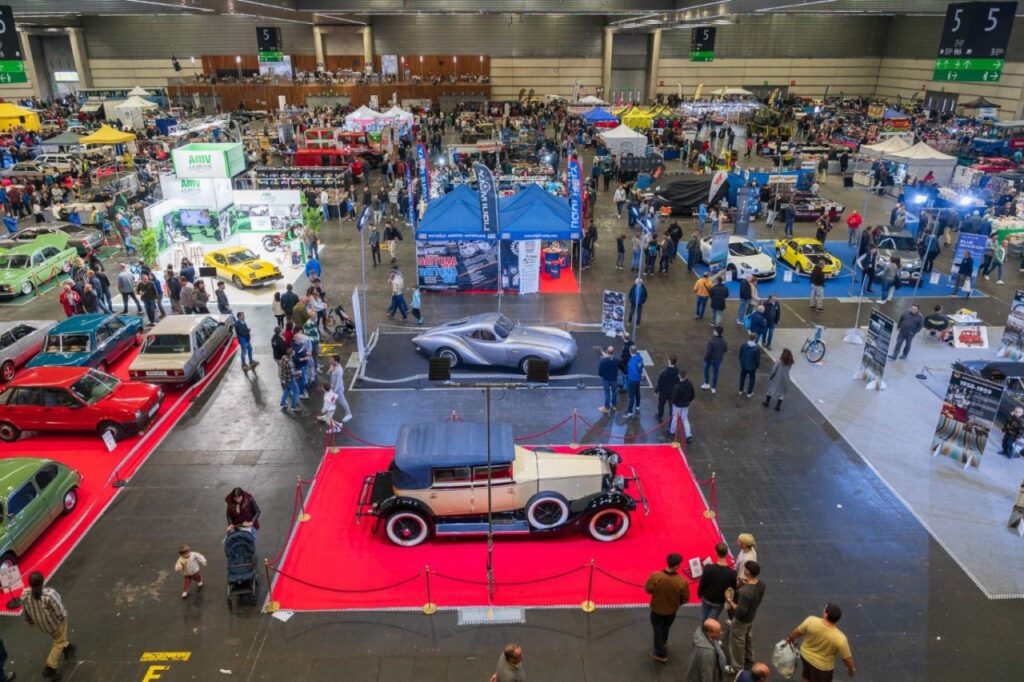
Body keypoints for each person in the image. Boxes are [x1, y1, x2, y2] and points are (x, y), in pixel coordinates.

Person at [22, 571, 75, 679]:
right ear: (43, 581)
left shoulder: (25, 594)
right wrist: (63, 617)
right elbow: (59, 611)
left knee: (58, 637)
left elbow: (25, 611)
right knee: (59, 642)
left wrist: (29, 620)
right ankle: (50, 667)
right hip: (55, 624)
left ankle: (67, 647)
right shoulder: (50, 594)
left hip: (43, 625)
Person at [785, 603, 856, 682]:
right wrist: (851, 669)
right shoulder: (840, 638)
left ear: (826, 614)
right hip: (821, 667)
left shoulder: (811, 620)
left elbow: (797, 632)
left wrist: (789, 639)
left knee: (806, 675)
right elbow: (847, 659)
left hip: (805, 656)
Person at [644, 553, 690, 663]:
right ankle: (663, 643)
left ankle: (661, 653)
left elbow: (648, 589)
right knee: (665, 627)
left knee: (657, 630)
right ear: (677, 566)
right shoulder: (681, 581)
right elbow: (685, 599)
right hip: (671, 610)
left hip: (657, 609)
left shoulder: (656, 576)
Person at [724, 560, 766, 675]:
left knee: (737, 643)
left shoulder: (745, 592)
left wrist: (729, 599)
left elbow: (739, 611)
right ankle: (749, 657)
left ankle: (737, 667)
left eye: (745, 568)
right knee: (747, 638)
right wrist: (745, 583)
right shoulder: (761, 585)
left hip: (740, 621)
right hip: (751, 617)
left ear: (747, 571)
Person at [697, 543, 736, 624]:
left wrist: (699, 593)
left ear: (716, 552)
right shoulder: (732, 573)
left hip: (707, 598)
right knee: (711, 622)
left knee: (703, 619)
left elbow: (702, 583)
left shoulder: (708, 568)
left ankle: (702, 632)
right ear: (726, 553)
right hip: (719, 601)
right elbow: (732, 588)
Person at [669, 369, 696, 442]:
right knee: (685, 419)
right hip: (686, 405)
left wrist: (673, 402)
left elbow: (674, 398)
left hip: (677, 406)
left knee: (675, 418)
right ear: (686, 376)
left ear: (679, 376)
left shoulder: (677, 387)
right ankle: (688, 435)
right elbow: (692, 395)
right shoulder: (690, 384)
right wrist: (688, 401)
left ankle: (672, 431)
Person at [328, 354, 354, 423]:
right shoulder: (332, 365)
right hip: (333, 387)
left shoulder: (339, 370)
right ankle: (328, 415)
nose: (329, 361)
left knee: (342, 401)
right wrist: (330, 370)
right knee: (331, 401)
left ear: (335, 361)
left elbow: (338, 382)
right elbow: (328, 373)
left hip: (338, 389)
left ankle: (349, 414)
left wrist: (334, 392)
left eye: (331, 360)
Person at [655, 355, 680, 423]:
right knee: (671, 406)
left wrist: (656, 390)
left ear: (669, 361)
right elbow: (678, 382)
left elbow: (660, 383)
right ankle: (671, 419)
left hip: (664, 392)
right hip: (673, 392)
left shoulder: (664, 372)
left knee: (661, 404)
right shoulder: (677, 371)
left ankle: (660, 415)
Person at [702, 326, 727, 394]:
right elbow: (725, 350)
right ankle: (714, 387)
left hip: (710, 359)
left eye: (714, 330)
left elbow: (708, 352)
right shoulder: (723, 341)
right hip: (718, 359)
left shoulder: (712, 341)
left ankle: (707, 383)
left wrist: (705, 358)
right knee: (716, 373)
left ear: (716, 332)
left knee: (706, 369)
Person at [278, 346, 301, 412]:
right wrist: (299, 372)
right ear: (291, 354)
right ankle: (294, 406)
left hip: (284, 378)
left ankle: (283, 403)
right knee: (296, 391)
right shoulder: (290, 363)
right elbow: (293, 373)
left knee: (287, 390)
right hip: (290, 379)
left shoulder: (283, 357)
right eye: (293, 352)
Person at [738, 333, 760, 398]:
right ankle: (749, 393)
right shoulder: (756, 348)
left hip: (744, 365)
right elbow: (757, 359)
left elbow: (740, 354)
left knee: (742, 377)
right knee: (752, 379)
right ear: (755, 339)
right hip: (752, 367)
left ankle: (740, 390)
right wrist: (757, 366)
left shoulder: (744, 345)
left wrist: (741, 361)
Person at [597, 345, 619, 414]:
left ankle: (606, 408)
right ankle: (614, 405)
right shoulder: (616, 360)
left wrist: (602, 375)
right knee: (614, 392)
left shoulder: (603, 361)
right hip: (614, 379)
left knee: (607, 393)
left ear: (606, 352)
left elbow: (600, 371)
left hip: (606, 380)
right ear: (613, 352)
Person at [625, 345, 644, 418]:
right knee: (637, 392)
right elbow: (641, 366)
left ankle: (630, 411)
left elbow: (632, 371)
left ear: (630, 352)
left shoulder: (631, 362)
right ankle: (638, 406)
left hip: (632, 380)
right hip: (638, 379)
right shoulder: (639, 357)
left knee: (631, 396)